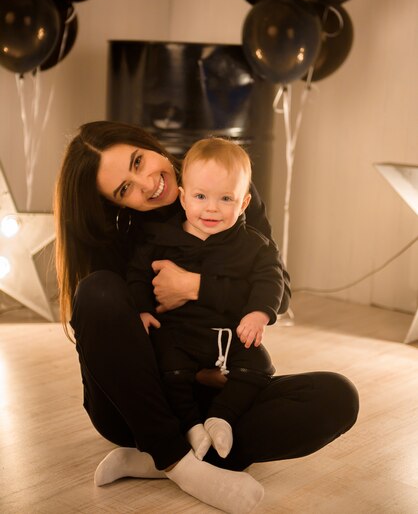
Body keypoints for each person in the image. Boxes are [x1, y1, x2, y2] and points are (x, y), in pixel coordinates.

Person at [54, 120, 359, 514]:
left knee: (337, 396)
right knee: (97, 290)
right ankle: (180, 463)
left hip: (218, 383)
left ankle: (154, 460)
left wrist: (196, 287)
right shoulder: (123, 233)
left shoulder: (227, 184)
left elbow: (275, 288)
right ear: (116, 204)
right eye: (124, 189)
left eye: (138, 162)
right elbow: (114, 339)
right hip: (143, 398)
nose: (146, 184)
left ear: (151, 145)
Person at [127, 137, 282, 461]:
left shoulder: (253, 245)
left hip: (229, 337)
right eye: (200, 196)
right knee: (168, 368)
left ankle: (221, 417)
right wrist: (142, 309)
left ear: (243, 204)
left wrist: (258, 313)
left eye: (226, 198)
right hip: (178, 336)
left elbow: (271, 278)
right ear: (184, 199)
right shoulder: (161, 239)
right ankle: (190, 426)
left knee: (260, 366)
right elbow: (137, 274)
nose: (211, 208)